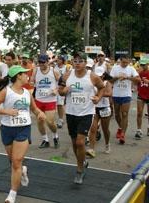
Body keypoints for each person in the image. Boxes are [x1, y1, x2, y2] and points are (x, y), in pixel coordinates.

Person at [0, 65, 46, 203]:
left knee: (16, 162)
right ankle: (23, 170)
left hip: (23, 129)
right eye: (24, 74)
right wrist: (7, 111)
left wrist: (40, 113)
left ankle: (12, 194)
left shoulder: (27, 92)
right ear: (18, 76)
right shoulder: (6, 91)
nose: (27, 75)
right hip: (7, 129)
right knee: (13, 162)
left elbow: (34, 108)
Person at [58, 52, 105, 184]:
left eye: (80, 61)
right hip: (71, 112)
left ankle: (79, 170)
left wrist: (98, 98)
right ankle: (82, 161)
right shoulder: (67, 75)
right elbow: (60, 90)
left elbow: (102, 88)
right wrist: (64, 91)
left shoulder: (93, 76)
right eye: (75, 61)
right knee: (74, 142)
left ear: (85, 63)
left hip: (86, 113)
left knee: (80, 142)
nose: (77, 63)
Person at [110, 55, 140, 144]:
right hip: (116, 94)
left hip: (126, 95)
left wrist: (127, 77)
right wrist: (117, 77)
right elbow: (110, 80)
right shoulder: (115, 68)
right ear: (120, 61)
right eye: (124, 62)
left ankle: (122, 134)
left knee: (124, 113)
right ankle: (121, 127)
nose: (125, 64)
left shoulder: (131, 69)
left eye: (127, 62)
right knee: (117, 115)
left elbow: (138, 79)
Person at [54, 55, 70, 129]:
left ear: (63, 60)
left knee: (60, 104)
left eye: (60, 59)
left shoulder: (66, 67)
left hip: (62, 87)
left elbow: (68, 76)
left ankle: (60, 119)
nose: (58, 60)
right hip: (55, 87)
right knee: (56, 104)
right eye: (57, 59)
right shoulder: (54, 67)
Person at [136, 58, 149, 139]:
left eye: (144, 65)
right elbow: (137, 83)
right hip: (141, 95)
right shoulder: (139, 73)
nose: (143, 66)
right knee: (139, 113)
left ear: (147, 64)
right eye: (141, 65)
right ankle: (139, 130)